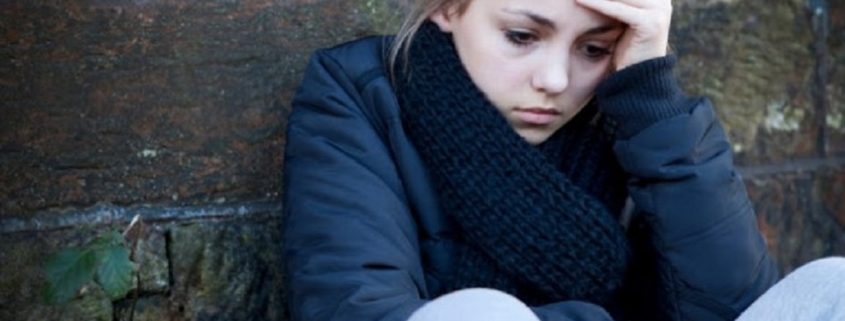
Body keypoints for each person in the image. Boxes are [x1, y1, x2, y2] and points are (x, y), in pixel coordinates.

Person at [281, 0, 843, 320]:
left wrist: (650, 99)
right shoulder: (362, 95)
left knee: (833, 285)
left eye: (594, 49)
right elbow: (355, 310)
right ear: (450, 7)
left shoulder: (622, 113)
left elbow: (735, 307)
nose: (555, 81)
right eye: (522, 36)